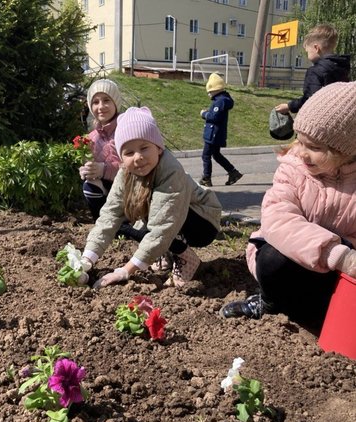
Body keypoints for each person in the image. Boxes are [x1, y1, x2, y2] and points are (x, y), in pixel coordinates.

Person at [220, 82, 356, 330]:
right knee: (272, 259)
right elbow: (278, 220)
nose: (302, 153)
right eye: (300, 141)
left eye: (314, 147)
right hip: (294, 261)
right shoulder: (293, 170)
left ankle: (324, 314)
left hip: (334, 275)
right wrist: (340, 255)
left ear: (347, 150)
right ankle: (269, 303)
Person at [79, 106, 222, 289]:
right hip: (165, 218)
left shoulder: (171, 171)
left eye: (144, 148)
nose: (137, 157)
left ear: (159, 148)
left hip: (202, 220)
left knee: (156, 222)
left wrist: (126, 271)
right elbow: (109, 216)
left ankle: (187, 258)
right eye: (129, 152)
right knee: (135, 226)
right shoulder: (125, 174)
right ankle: (163, 252)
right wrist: (86, 260)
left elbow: (163, 226)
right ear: (121, 158)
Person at [275, 24, 350, 116]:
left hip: (320, 118)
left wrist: (289, 106)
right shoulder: (342, 67)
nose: (307, 55)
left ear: (316, 48)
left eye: (307, 51)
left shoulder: (315, 71)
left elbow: (311, 99)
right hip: (339, 117)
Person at [79, 79, 122, 220]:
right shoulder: (91, 138)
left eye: (106, 100)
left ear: (116, 103)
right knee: (89, 185)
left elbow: (136, 166)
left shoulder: (126, 129)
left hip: (129, 190)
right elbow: (92, 169)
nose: (101, 106)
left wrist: (104, 169)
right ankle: (103, 222)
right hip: (107, 191)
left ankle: (125, 225)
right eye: (95, 102)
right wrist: (87, 170)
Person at [199, 73, 243, 187]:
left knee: (206, 155)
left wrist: (204, 114)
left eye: (210, 91)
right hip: (215, 133)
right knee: (216, 155)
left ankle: (206, 178)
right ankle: (233, 172)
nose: (208, 94)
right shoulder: (221, 100)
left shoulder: (220, 101)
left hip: (213, 134)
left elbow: (215, 117)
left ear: (216, 89)